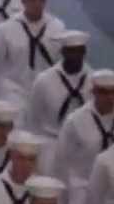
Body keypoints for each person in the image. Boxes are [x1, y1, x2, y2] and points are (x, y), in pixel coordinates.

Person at [0, 0, 64, 109]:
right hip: (13, 91)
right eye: (32, 0)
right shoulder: (6, 29)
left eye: (41, 0)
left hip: (46, 92)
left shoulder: (57, 28)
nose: (37, 4)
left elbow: (62, 64)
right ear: (23, 1)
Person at [54, 69, 114, 204]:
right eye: (104, 92)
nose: (110, 97)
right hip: (82, 187)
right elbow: (61, 162)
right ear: (94, 92)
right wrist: (62, 202)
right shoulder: (75, 121)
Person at [25, 30, 90, 161]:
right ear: (62, 52)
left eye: (79, 51)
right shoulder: (44, 80)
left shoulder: (94, 81)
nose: (75, 56)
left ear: (84, 52)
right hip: (50, 143)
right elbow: (33, 118)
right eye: (71, 51)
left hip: (82, 145)